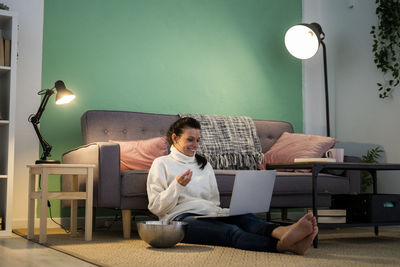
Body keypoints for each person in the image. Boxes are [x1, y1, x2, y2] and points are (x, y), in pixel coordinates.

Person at [146, 117, 318, 254]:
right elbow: (156, 208)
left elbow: (213, 201)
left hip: (210, 214)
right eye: (190, 140)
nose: (196, 145)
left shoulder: (203, 165)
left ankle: (284, 233)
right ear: (175, 138)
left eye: (198, 140)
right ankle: (281, 246)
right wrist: (177, 186)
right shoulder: (161, 164)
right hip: (180, 220)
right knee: (231, 231)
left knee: (248, 218)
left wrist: (224, 213)